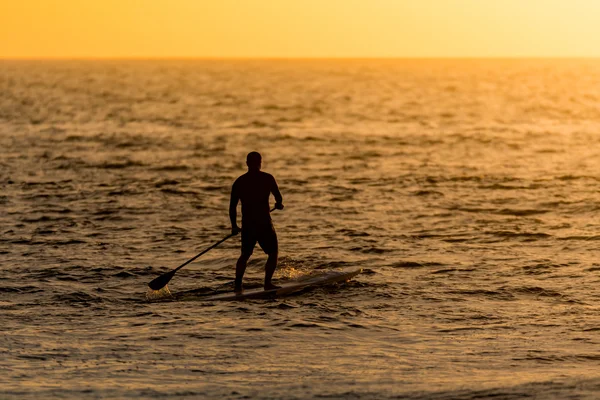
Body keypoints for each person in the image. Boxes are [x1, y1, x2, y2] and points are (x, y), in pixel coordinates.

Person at [230, 151, 284, 293]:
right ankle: (267, 284)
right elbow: (278, 198)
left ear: (247, 163)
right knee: (273, 253)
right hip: (264, 224)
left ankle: (237, 285)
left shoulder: (239, 182)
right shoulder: (268, 178)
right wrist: (278, 204)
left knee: (245, 255)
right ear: (260, 163)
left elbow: (232, 207)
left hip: (248, 225)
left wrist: (234, 226)